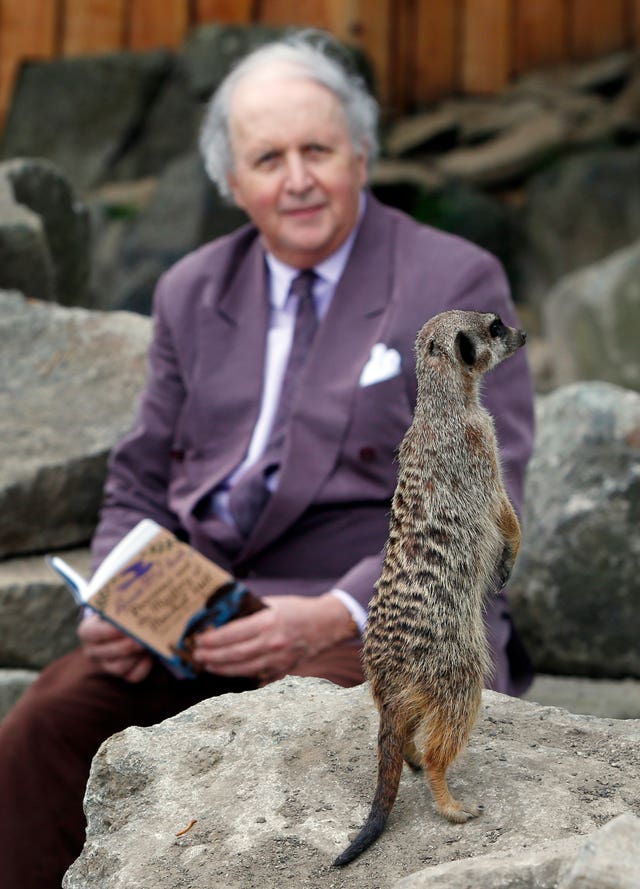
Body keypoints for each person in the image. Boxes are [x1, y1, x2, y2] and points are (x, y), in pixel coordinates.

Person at [0, 30, 535, 889]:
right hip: (207, 620)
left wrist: (328, 612)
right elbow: (140, 473)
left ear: (361, 153)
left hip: (381, 615)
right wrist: (120, 596)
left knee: (319, 755)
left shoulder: (451, 277)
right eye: (268, 157)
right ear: (231, 180)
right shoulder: (189, 288)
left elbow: (494, 486)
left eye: (318, 150)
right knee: (46, 725)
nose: (296, 179)